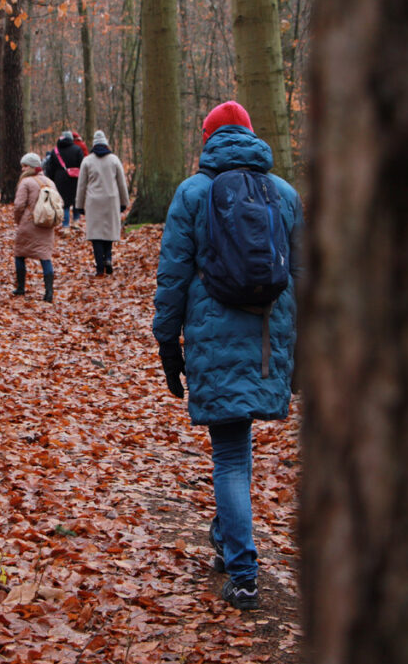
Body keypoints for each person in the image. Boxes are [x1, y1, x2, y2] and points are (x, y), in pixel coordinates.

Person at [152, 101, 303, 610]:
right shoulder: (284, 194)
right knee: (239, 450)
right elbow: (301, 277)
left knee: (231, 455)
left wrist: (167, 342)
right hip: (267, 338)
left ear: (208, 139)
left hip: (214, 337)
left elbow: (173, 275)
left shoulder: (192, 193)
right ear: (252, 136)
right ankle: (226, 535)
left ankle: (242, 572)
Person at [75, 130, 128, 277]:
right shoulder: (114, 160)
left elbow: (81, 185)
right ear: (106, 143)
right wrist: (124, 202)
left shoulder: (87, 161)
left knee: (96, 235)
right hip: (111, 200)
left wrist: (79, 205)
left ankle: (99, 267)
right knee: (108, 232)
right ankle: (108, 259)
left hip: (93, 202)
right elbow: (121, 183)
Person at [12, 153, 58, 302]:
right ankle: (49, 292)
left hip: (29, 223)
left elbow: (19, 205)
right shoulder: (50, 182)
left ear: (32, 167)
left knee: (19, 254)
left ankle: (20, 288)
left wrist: (19, 221)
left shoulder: (26, 182)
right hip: (47, 224)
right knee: (45, 257)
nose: (22, 169)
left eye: (25, 166)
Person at [45, 131, 84, 227]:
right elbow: (82, 165)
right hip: (75, 178)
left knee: (64, 204)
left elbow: (50, 168)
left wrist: (53, 179)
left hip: (60, 179)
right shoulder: (77, 149)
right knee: (76, 201)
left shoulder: (55, 151)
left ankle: (65, 226)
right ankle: (76, 222)